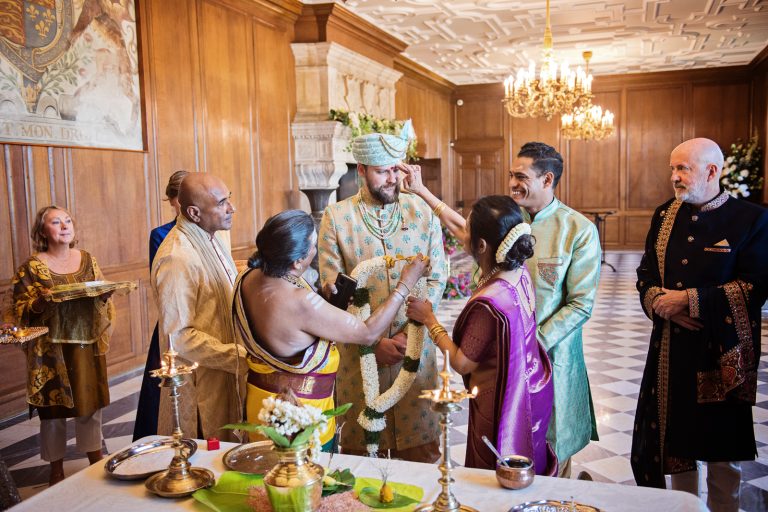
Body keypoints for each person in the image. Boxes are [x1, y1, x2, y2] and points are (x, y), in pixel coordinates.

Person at [403, 141, 601, 477]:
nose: (512, 183)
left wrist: (527, 344)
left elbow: (580, 305)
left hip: (550, 358)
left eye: (520, 176)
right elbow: (466, 232)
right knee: (509, 447)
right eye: (511, 174)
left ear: (547, 180)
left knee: (549, 447)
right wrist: (422, 191)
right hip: (502, 364)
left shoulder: (578, 230)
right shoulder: (511, 215)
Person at [632, 138, 768, 511]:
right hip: (672, 353)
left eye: (683, 169)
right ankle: (682, 508)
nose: (674, 177)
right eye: (672, 168)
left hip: (724, 356)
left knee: (723, 451)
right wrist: (662, 304)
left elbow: (756, 286)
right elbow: (645, 274)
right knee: (676, 446)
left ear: (712, 171)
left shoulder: (751, 219)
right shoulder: (664, 216)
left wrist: (691, 300)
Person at [233, 210, 430, 449]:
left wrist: (321, 301)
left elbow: (287, 324)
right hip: (296, 416)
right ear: (297, 261)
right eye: (313, 246)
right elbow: (367, 333)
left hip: (260, 404)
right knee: (299, 480)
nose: (315, 251)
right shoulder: (300, 302)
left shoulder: (248, 277)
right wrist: (405, 284)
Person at [318, 120, 448, 462]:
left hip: (416, 351)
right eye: (381, 171)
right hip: (361, 360)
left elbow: (438, 276)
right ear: (360, 169)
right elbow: (333, 292)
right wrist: (372, 342)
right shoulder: (337, 216)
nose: (392, 178)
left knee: (422, 459)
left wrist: (408, 334)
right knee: (362, 463)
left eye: (395, 169)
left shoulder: (422, 210)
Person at [405, 196, 557, 474]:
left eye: (469, 230)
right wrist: (422, 191)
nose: (463, 232)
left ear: (482, 245)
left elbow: (463, 364)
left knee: (496, 471)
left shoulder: (490, 301)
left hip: (502, 400)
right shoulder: (519, 270)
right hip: (531, 387)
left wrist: (429, 319)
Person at [11, 206, 115, 486]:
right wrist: (40, 302)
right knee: (53, 411)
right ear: (43, 231)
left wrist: (104, 295)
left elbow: (98, 293)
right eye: (55, 222)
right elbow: (18, 308)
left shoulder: (87, 259)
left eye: (68, 220)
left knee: (89, 403)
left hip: (85, 344)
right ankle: (55, 467)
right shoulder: (32, 267)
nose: (64, 225)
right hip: (49, 349)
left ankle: (95, 456)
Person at [151, 172, 246, 442]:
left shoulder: (211, 236)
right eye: (221, 203)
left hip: (226, 372)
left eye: (229, 198)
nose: (231, 208)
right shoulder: (177, 257)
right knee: (204, 460)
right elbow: (178, 337)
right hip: (201, 382)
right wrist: (238, 356)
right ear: (193, 212)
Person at [133, 169, 188, 441]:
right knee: (165, 383)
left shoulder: (211, 231)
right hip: (175, 316)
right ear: (172, 201)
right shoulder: (161, 234)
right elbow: (163, 281)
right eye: (180, 199)